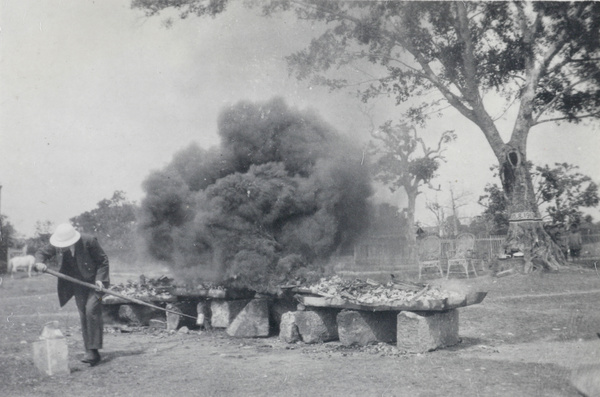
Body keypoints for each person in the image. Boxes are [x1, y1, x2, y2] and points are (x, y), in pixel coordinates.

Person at [34, 223, 110, 366]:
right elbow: (41, 253)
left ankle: (93, 349)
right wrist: (39, 263)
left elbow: (103, 261)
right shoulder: (57, 243)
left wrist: (100, 280)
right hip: (78, 285)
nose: (61, 248)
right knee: (83, 314)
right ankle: (91, 351)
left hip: (97, 285)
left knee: (92, 310)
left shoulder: (89, 241)